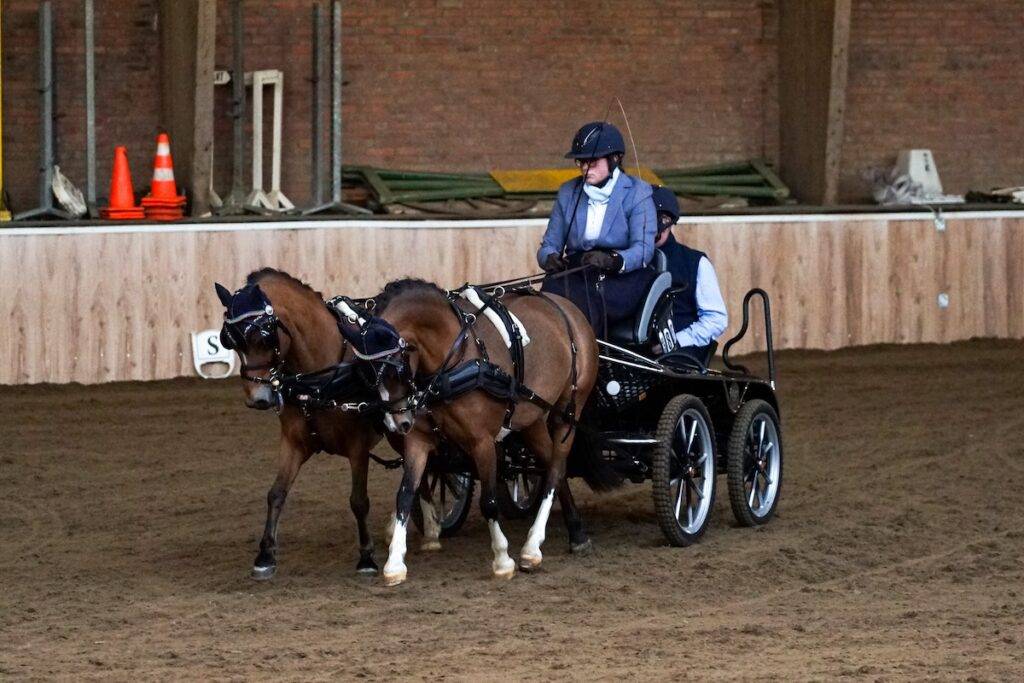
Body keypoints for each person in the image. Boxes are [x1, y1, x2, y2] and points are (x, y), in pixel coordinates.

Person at [537, 121, 658, 335]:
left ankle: (590, 360)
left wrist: (613, 260)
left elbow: (644, 249)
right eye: (580, 162)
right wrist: (549, 258)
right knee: (548, 294)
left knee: (586, 300)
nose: (584, 168)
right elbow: (549, 244)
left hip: (621, 274)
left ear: (615, 159)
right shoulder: (568, 192)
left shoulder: (638, 192)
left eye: (591, 162)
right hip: (578, 269)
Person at [651, 185, 728, 360]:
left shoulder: (695, 263)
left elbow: (716, 319)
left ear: (670, 223)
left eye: (662, 221)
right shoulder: (629, 261)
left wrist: (677, 340)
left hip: (680, 350)